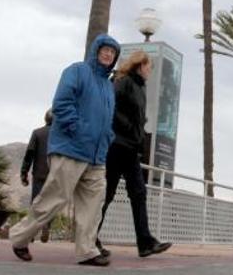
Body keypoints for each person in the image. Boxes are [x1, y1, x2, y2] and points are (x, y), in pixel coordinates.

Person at [10, 34, 121, 267]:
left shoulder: (108, 86)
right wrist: (78, 130)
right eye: (105, 49)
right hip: (71, 148)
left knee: (93, 205)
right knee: (55, 198)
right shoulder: (77, 71)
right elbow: (61, 102)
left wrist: (108, 136)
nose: (108, 54)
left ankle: (87, 251)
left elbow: (107, 119)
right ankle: (19, 237)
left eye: (113, 52)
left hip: (97, 155)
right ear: (96, 50)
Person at [96, 50, 172, 258]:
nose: (150, 70)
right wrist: (128, 126)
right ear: (139, 64)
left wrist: (139, 132)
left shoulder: (140, 86)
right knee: (108, 193)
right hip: (117, 146)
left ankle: (145, 242)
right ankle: (90, 237)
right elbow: (109, 106)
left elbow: (135, 116)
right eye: (149, 66)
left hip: (130, 148)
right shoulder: (124, 81)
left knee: (138, 193)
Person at [20, 108, 53, 243]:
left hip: (39, 174)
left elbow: (29, 154)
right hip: (54, 174)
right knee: (52, 202)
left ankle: (31, 232)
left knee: (36, 203)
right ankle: (47, 225)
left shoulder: (37, 133)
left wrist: (24, 172)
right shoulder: (61, 134)